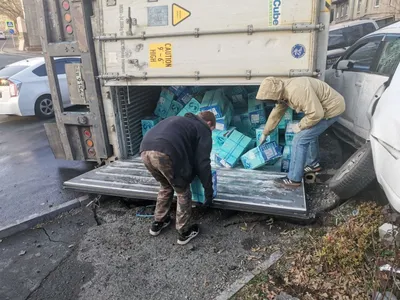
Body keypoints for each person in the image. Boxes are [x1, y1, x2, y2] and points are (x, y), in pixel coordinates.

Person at [140, 111, 216, 245]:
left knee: (165, 185)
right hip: (165, 153)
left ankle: (158, 222)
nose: (211, 132)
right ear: (209, 123)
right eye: (212, 129)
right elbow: (203, 163)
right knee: (182, 191)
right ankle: (184, 232)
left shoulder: (178, 119)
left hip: (145, 150)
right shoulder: (203, 129)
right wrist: (208, 192)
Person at [256, 77, 345, 188]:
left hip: (331, 109)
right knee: (309, 134)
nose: (272, 102)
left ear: (275, 93)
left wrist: (299, 126)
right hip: (324, 107)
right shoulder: (282, 90)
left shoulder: (296, 91)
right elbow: (277, 113)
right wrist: (265, 132)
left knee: (299, 140)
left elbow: (316, 114)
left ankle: (293, 179)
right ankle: (314, 164)